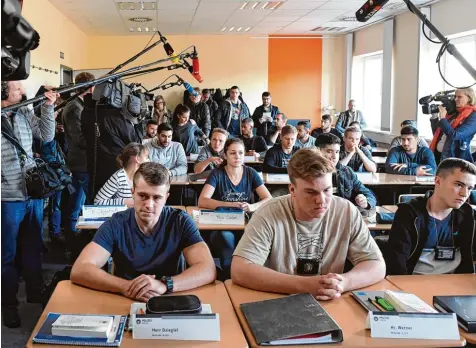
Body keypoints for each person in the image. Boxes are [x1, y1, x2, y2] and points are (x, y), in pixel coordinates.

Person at [231, 148, 385, 299]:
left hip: (329, 301)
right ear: (292, 190)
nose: (321, 200)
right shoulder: (268, 214)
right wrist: (306, 286)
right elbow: (240, 270)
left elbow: (376, 265)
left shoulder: (346, 211)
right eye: (311, 192)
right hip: (277, 300)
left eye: (327, 190)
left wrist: (344, 282)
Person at [71, 162, 216, 301]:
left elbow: (207, 268)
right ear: (132, 193)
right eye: (143, 196)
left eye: (157, 197)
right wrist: (126, 287)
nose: (149, 205)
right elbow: (80, 269)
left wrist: (165, 285)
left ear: (166, 198)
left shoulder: (180, 221)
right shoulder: (116, 224)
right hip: (124, 297)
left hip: (170, 297)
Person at [1, 81, 59, 328]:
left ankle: (35, 291)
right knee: (7, 255)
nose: (23, 92)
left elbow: (46, 136)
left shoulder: (24, 111)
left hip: (32, 192)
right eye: (17, 89)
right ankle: (9, 305)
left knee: (33, 246)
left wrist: (48, 108)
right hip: (7, 197)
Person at [386, 158, 476, 275]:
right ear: (437, 181)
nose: (464, 194)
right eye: (459, 185)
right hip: (414, 284)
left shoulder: (468, 215)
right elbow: (397, 265)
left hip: (457, 286)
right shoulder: (409, 214)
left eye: (470, 188)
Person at [198, 138, 272, 277]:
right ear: (225, 155)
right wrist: (231, 205)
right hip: (222, 225)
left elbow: (268, 198)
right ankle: (230, 275)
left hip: (245, 223)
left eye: (240, 153)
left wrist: (251, 206)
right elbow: (202, 201)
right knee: (226, 239)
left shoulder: (251, 173)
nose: (237, 156)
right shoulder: (217, 174)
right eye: (233, 153)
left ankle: (247, 275)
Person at [63, 72, 95, 243]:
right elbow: (80, 139)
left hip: (83, 162)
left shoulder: (80, 105)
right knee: (76, 204)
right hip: (79, 163)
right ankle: (71, 241)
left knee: (80, 202)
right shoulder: (74, 108)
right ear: (89, 87)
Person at [316, 133, 377, 213]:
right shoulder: (308, 174)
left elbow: (369, 194)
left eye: (337, 152)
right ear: (317, 151)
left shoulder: (346, 172)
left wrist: (365, 202)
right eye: (329, 151)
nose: (334, 156)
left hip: (342, 215)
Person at [430, 87, 476, 163]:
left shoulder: (473, 116)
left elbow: (455, 135)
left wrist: (443, 119)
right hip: (438, 156)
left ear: (469, 98)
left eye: (459, 97)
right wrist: (434, 117)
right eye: (455, 96)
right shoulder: (454, 113)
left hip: (454, 160)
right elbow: (437, 135)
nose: (455, 99)